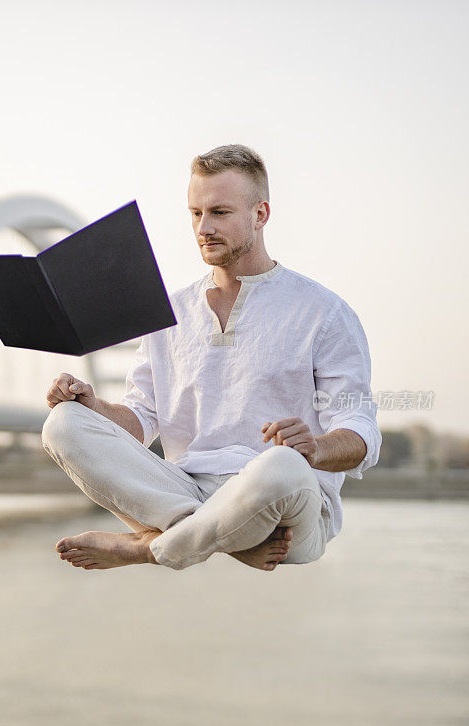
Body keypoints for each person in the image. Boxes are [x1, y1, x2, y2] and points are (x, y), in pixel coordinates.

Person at [42, 144, 381, 573]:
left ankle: (147, 547)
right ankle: (227, 540)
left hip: (284, 507)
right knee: (63, 423)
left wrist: (313, 447)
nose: (203, 227)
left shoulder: (324, 313)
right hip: (185, 491)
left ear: (260, 215)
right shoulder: (170, 312)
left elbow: (361, 435)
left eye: (219, 212)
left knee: (278, 464)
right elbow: (142, 422)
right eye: (195, 213)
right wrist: (93, 407)